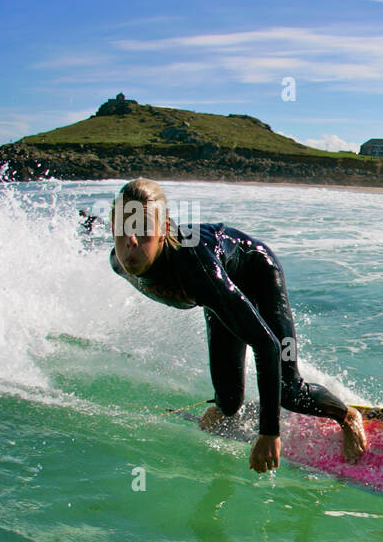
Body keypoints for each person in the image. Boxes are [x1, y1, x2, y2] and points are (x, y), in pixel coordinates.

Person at [108, 179, 367, 474]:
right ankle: (231, 405)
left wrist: (269, 433)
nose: (130, 241)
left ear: (164, 229)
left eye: (143, 229)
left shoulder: (193, 265)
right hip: (219, 292)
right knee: (228, 404)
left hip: (256, 273)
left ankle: (347, 417)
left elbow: (266, 344)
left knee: (288, 391)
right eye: (122, 228)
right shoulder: (118, 263)